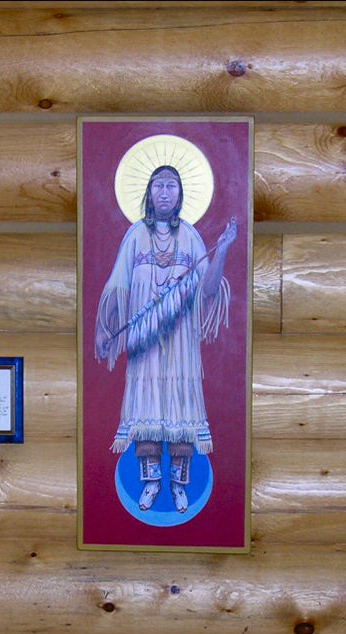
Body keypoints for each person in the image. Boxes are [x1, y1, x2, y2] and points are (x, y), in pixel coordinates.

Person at [95, 164, 237, 513]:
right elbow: (117, 287)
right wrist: (105, 329)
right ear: (148, 193)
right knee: (146, 404)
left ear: (180, 194)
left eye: (171, 186)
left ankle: (178, 484)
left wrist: (222, 250)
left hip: (181, 345)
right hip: (145, 344)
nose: (164, 192)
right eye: (158, 185)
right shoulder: (135, 236)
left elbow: (207, 291)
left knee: (180, 405)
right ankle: (151, 483)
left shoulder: (190, 237)